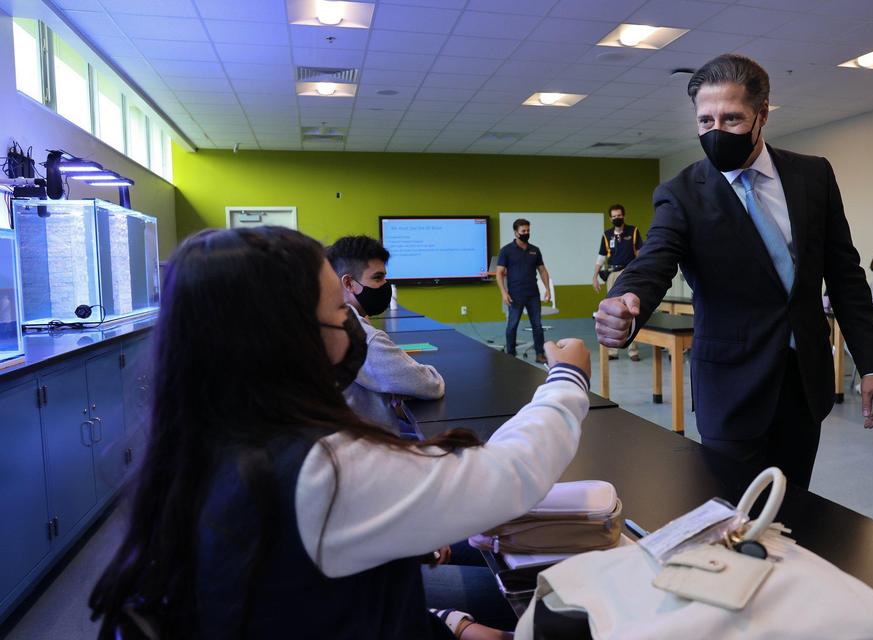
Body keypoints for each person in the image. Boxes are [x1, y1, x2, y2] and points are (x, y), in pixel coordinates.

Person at [88, 226, 592, 639]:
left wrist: (447, 622)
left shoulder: (204, 441)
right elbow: (510, 473)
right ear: (287, 335)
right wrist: (568, 380)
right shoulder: (321, 467)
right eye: (338, 312)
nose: (351, 323)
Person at [594, 54, 873, 490]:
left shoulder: (813, 176)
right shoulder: (682, 194)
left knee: (794, 508)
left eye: (731, 118)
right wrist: (626, 298)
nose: (716, 131)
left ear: (762, 114)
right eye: (705, 121)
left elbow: (846, 276)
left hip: (803, 382)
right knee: (732, 514)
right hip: (730, 386)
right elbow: (654, 260)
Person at [326, 236, 445, 436]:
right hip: (372, 440)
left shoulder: (331, 325)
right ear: (349, 283)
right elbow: (430, 384)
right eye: (377, 278)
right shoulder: (364, 338)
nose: (385, 284)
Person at [496, 218, 551, 363]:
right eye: (523, 231)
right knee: (512, 325)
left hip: (533, 294)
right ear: (516, 232)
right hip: (515, 294)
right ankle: (511, 354)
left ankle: (540, 354)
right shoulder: (506, 251)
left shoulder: (535, 250)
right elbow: (499, 273)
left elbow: (542, 270)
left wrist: (547, 289)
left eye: (528, 230)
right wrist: (504, 293)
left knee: (537, 325)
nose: (526, 233)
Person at [593, 204, 644, 361]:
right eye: (614, 216)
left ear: (624, 215)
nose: (617, 218)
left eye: (619, 215)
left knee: (630, 310)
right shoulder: (607, 235)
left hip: (629, 273)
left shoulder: (633, 231)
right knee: (612, 310)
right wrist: (595, 277)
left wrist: (640, 272)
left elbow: (640, 253)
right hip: (612, 274)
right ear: (610, 218)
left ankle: (632, 350)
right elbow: (601, 257)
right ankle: (612, 350)